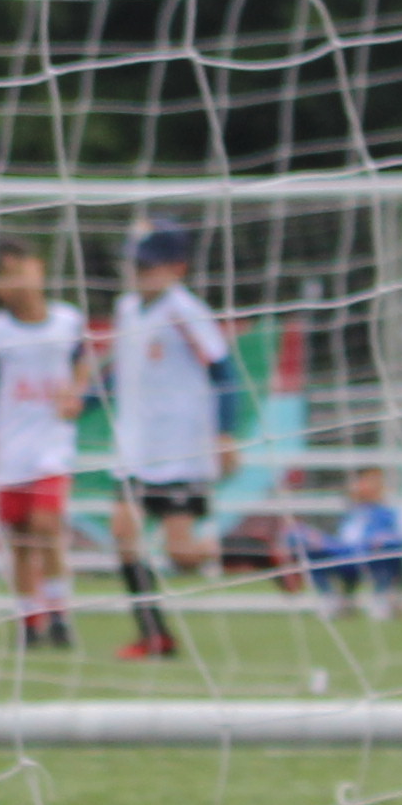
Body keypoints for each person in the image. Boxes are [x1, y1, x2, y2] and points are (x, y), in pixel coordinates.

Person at [0, 241, 97, 651]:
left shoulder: (68, 321)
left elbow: (85, 363)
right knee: (20, 538)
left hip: (53, 442)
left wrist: (77, 392)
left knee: (47, 525)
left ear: (39, 268)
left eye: (19, 271)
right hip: (11, 446)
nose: (15, 283)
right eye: (5, 276)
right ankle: (30, 620)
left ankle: (60, 614)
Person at [103, 224, 238, 661]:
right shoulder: (127, 309)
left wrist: (225, 433)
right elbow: (120, 370)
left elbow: (223, 372)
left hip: (181, 449)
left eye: (149, 266)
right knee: (123, 532)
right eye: (136, 265)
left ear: (177, 268)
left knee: (183, 556)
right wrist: (81, 399)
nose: (140, 273)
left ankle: (263, 553)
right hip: (136, 448)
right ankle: (154, 634)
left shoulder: (186, 311)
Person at [307, 463, 402, 609]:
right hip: (346, 554)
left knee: (387, 548)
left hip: (374, 554)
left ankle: (382, 597)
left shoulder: (394, 509)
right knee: (310, 543)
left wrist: (384, 538)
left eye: (372, 481)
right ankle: (330, 598)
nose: (364, 486)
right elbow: (342, 538)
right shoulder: (352, 510)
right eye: (362, 481)